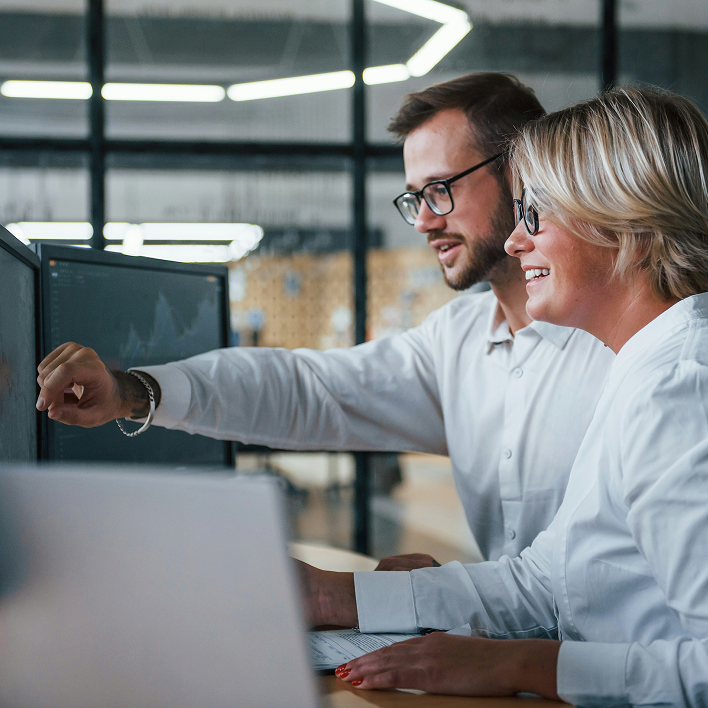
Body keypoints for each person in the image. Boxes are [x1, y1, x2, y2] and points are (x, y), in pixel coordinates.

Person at [35, 73, 613, 566]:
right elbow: (308, 388)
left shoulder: (625, 344)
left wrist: (444, 598)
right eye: (415, 198)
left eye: (439, 190)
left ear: (522, 173)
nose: (423, 223)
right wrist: (133, 391)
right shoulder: (456, 341)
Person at [321, 86, 708, 706]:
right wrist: (338, 596)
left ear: (621, 216)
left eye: (536, 215)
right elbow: (541, 581)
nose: (514, 242)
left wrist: (523, 668)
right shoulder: (641, 367)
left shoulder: (679, 386)